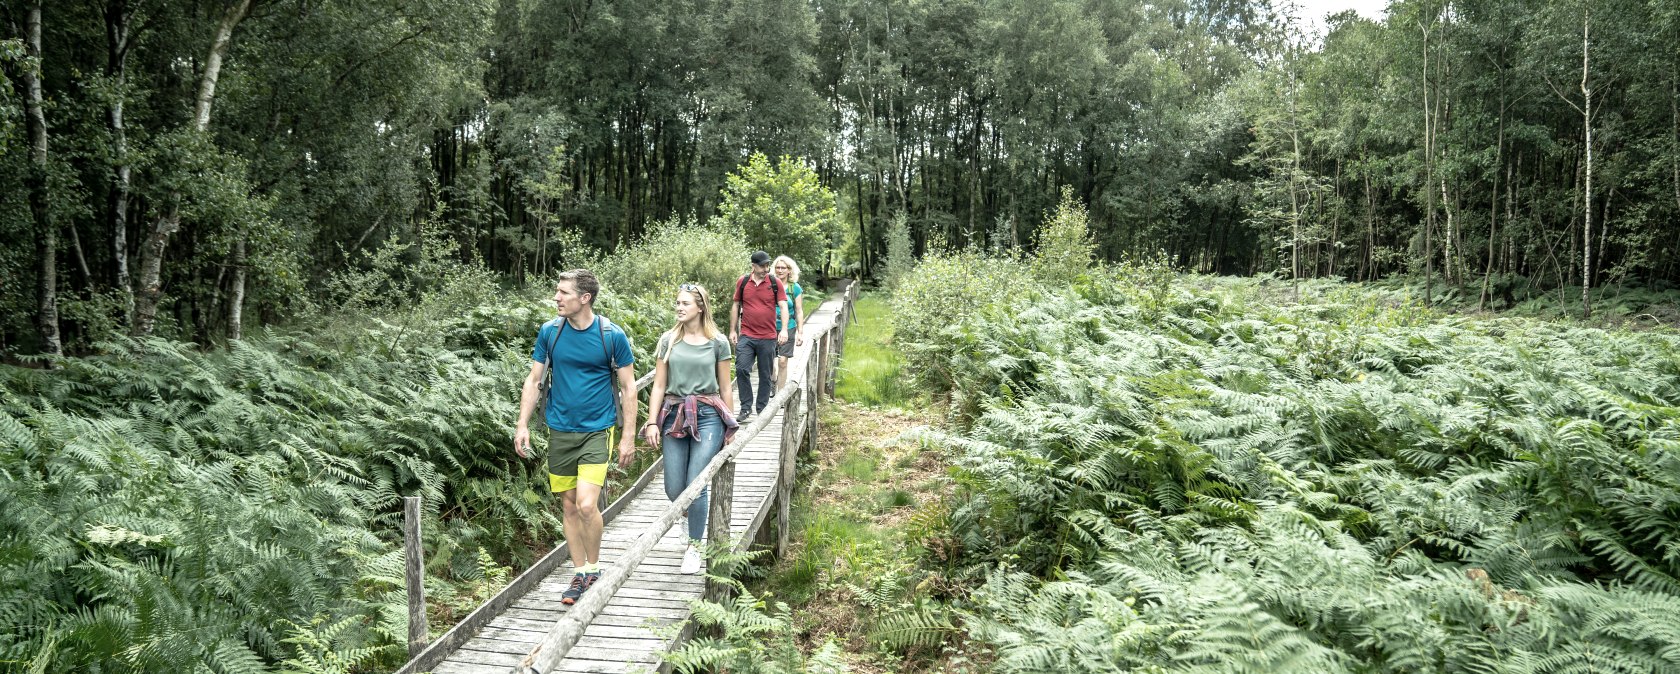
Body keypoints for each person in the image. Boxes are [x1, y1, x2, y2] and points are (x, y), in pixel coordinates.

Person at [514, 269, 638, 605]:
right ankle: (579, 571)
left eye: (563, 292)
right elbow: (534, 379)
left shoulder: (611, 335)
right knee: (568, 506)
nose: (557, 297)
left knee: (586, 504)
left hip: (597, 429)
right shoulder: (550, 333)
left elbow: (628, 388)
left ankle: (594, 569)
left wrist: (628, 436)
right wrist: (522, 424)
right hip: (560, 430)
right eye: (557, 291)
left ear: (585, 298)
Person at [640, 283, 739, 574]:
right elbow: (659, 384)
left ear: (700, 307)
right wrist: (651, 421)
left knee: (697, 482)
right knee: (674, 486)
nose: (679, 307)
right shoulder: (668, 340)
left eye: (685, 303)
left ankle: (694, 548)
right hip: (673, 416)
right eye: (677, 303)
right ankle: (687, 517)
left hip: (708, 415)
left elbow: (725, 386)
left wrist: (731, 427)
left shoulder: (718, 342)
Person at [729, 250, 788, 421]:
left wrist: (783, 330)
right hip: (746, 335)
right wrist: (733, 330)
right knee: (741, 369)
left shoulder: (774, 282)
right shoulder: (743, 281)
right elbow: (736, 306)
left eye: (767, 265)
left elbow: (783, 306)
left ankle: (762, 409)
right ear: (753, 266)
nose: (766, 268)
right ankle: (745, 408)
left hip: (768, 336)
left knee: (765, 374)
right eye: (762, 265)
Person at [771, 255, 806, 393]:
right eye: (777, 267)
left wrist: (800, 332)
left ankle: (780, 394)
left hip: (789, 327)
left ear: (789, 270)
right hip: (769, 327)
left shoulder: (795, 288)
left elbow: (799, 311)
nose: (780, 270)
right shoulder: (769, 285)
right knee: (768, 362)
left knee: (782, 361)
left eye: (783, 268)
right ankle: (773, 380)